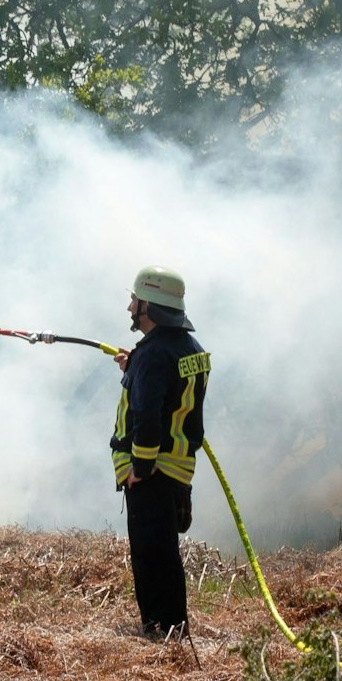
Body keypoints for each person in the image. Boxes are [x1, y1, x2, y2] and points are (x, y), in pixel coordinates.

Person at [111, 264, 210, 640]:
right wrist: (133, 369)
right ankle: (169, 626)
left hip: (153, 471)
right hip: (178, 468)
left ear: (148, 305)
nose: (129, 308)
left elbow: (149, 418)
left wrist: (139, 468)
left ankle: (164, 629)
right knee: (164, 549)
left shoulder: (152, 355)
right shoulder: (191, 349)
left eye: (134, 300)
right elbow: (170, 392)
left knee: (152, 554)